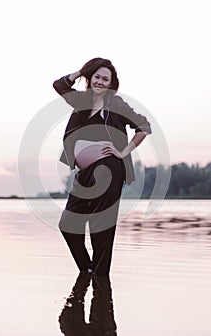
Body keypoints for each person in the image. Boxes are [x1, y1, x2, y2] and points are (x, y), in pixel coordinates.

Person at [53, 58, 152, 275]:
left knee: (102, 227)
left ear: (111, 84)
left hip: (110, 169)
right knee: (68, 224)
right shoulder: (81, 101)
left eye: (105, 79)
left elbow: (144, 126)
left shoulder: (116, 104)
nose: (99, 81)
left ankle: (100, 279)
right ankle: (88, 271)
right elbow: (59, 85)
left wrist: (123, 152)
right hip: (84, 173)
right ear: (90, 78)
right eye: (96, 76)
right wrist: (82, 71)